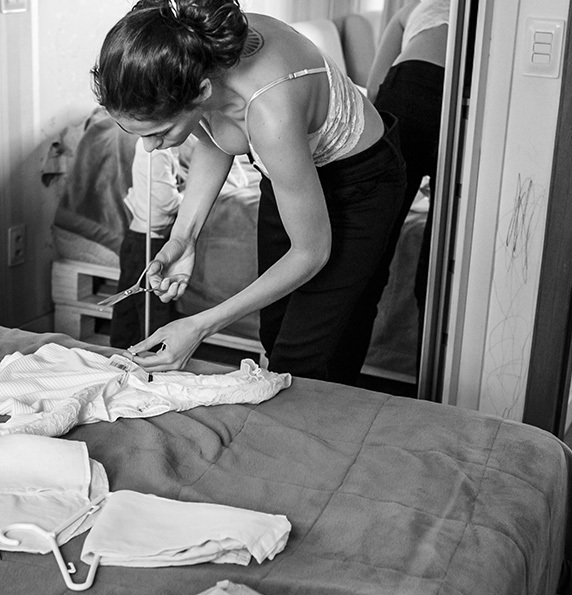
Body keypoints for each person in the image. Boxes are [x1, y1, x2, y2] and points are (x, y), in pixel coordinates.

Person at [92, 0, 407, 383]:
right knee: (274, 332)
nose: (149, 148)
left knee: (305, 354)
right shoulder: (196, 52)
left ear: (202, 90)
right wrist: (183, 237)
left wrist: (201, 326)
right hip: (288, 170)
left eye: (158, 133)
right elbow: (216, 137)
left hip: (362, 185)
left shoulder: (271, 110)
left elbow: (311, 251)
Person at [366, 0, 449, 316]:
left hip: (410, 85)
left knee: (372, 249)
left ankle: (338, 365)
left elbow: (374, 89)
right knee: (442, 264)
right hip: (467, 100)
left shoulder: (415, 8)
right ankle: (432, 360)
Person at [111, 140, 183, 350]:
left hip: (138, 237)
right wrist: (192, 197)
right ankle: (153, 354)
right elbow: (166, 201)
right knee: (152, 305)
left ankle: (122, 348)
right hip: (148, 240)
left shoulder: (152, 148)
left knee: (129, 305)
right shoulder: (157, 152)